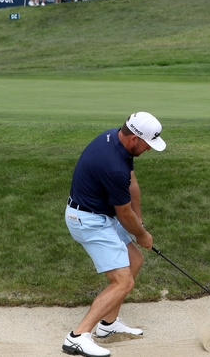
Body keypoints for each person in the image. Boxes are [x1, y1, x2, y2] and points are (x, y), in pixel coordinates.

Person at [61, 112, 165, 357]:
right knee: (124, 281)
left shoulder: (116, 140)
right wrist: (142, 234)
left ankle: (108, 325)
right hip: (87, 220)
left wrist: (139, 219)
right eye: (148, 144)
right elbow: (124, 214)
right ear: (135, 140)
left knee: (135, 260)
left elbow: (131, 183)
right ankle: (77, 336)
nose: (149, 149)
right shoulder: (113, 166)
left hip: (98, 214)